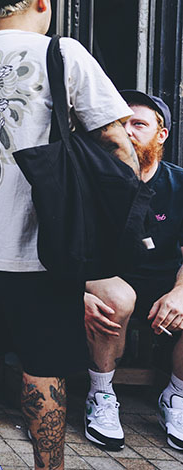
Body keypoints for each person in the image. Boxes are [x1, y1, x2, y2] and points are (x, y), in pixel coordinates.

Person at [0, 0, 139, 470]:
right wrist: (123, 197)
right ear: (44, 0)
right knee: (44, 367)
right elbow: (115, 138)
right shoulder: (61, 54)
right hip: (43, 246)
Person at [83, 91, 183, 451]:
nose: (128, 131)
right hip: (107, 280)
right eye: (121, 124)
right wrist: (76, 291)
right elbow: (67, 248)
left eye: (139, 124)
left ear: (162, 134)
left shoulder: (178, 183)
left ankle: (176, 397)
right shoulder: (93, 179)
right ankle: (101, 395)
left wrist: (180, 292)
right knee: (118, 297)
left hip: (163, 285)